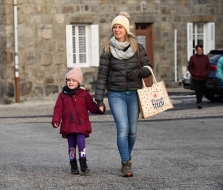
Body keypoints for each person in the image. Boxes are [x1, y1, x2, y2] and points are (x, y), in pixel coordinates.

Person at [95, 11, 152, 177]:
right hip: (116, 94)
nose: (117, 30)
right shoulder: (107, 49)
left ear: (126, 29)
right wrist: (99, 99)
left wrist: (139, 71)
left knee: (132, 131)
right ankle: (126, 163)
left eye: (120, 27)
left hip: (134, 94)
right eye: (114, 27)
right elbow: (102, 75)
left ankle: (127, 155)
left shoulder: (137, 47)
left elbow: (149, 69)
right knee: (123, 129)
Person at [52, 67, 105, 175]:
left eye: (73, 80)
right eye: (69, 80)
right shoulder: (62, 95)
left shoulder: (84, 94)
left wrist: (99, 109)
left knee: (81, 143)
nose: (71, 82)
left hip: (81, 125)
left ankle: (83, 164)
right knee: (71, 145)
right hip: (69, 125)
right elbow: (58, 109)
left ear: (78, 82)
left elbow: (91, 106)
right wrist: (56, 120)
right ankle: (73, 165)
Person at [187, 45, 211, 109]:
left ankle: (200, 100)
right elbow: (190, 67)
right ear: (196, 51)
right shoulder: (193, 58)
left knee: (202, 89)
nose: (200, 51)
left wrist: (206, 73)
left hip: (204, 76)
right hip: (196, 77)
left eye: (201, 50)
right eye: (198, 50)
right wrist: (193, 73)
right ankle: (199, 102)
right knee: (198, 89)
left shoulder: (205, 57)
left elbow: (208, 66)